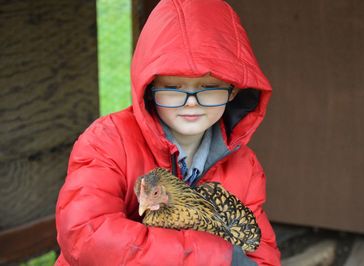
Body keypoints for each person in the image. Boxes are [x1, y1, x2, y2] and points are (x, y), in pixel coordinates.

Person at [55, 0, 281, 265]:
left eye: (208, 87)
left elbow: (261, 252)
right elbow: (86, 236)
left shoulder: (245, 167)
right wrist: (215, 256)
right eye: (174, 87)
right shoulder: (107, 142)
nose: (191, 101)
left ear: (233, 90)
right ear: (150, 87)